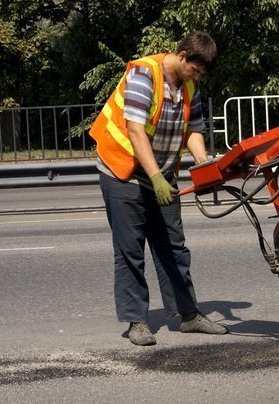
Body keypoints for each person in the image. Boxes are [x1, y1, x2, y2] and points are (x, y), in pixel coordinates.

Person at [89, 31, 228, 346]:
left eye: (202, 73)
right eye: (195, 69)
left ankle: (189, 315)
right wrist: (154, 177)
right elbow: (136, 131)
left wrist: (204, 164)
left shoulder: (190, 85)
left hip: (161, 174)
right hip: (121, 171)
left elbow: (193, 130)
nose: (197, 76)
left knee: (174, 247)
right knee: (130, 249)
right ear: (181, 56)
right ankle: (136, 321)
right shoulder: (143, 73)